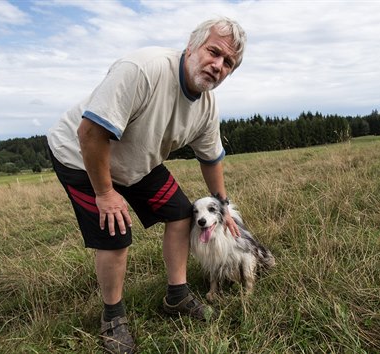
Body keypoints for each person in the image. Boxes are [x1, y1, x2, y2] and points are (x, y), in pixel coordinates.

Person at [47, 17, 246, 353]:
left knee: (182, 213)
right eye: (214, 52)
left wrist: (223, 206)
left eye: (228, 63)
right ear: (191, 46)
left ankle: (177, 295)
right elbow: (90, 133)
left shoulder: (206, 108)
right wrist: (106, 193)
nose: (218, 65)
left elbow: (211, 159)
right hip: (81, 155)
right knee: (115, 232)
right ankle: (113, 320)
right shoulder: (143, 69)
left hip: (137, 162)